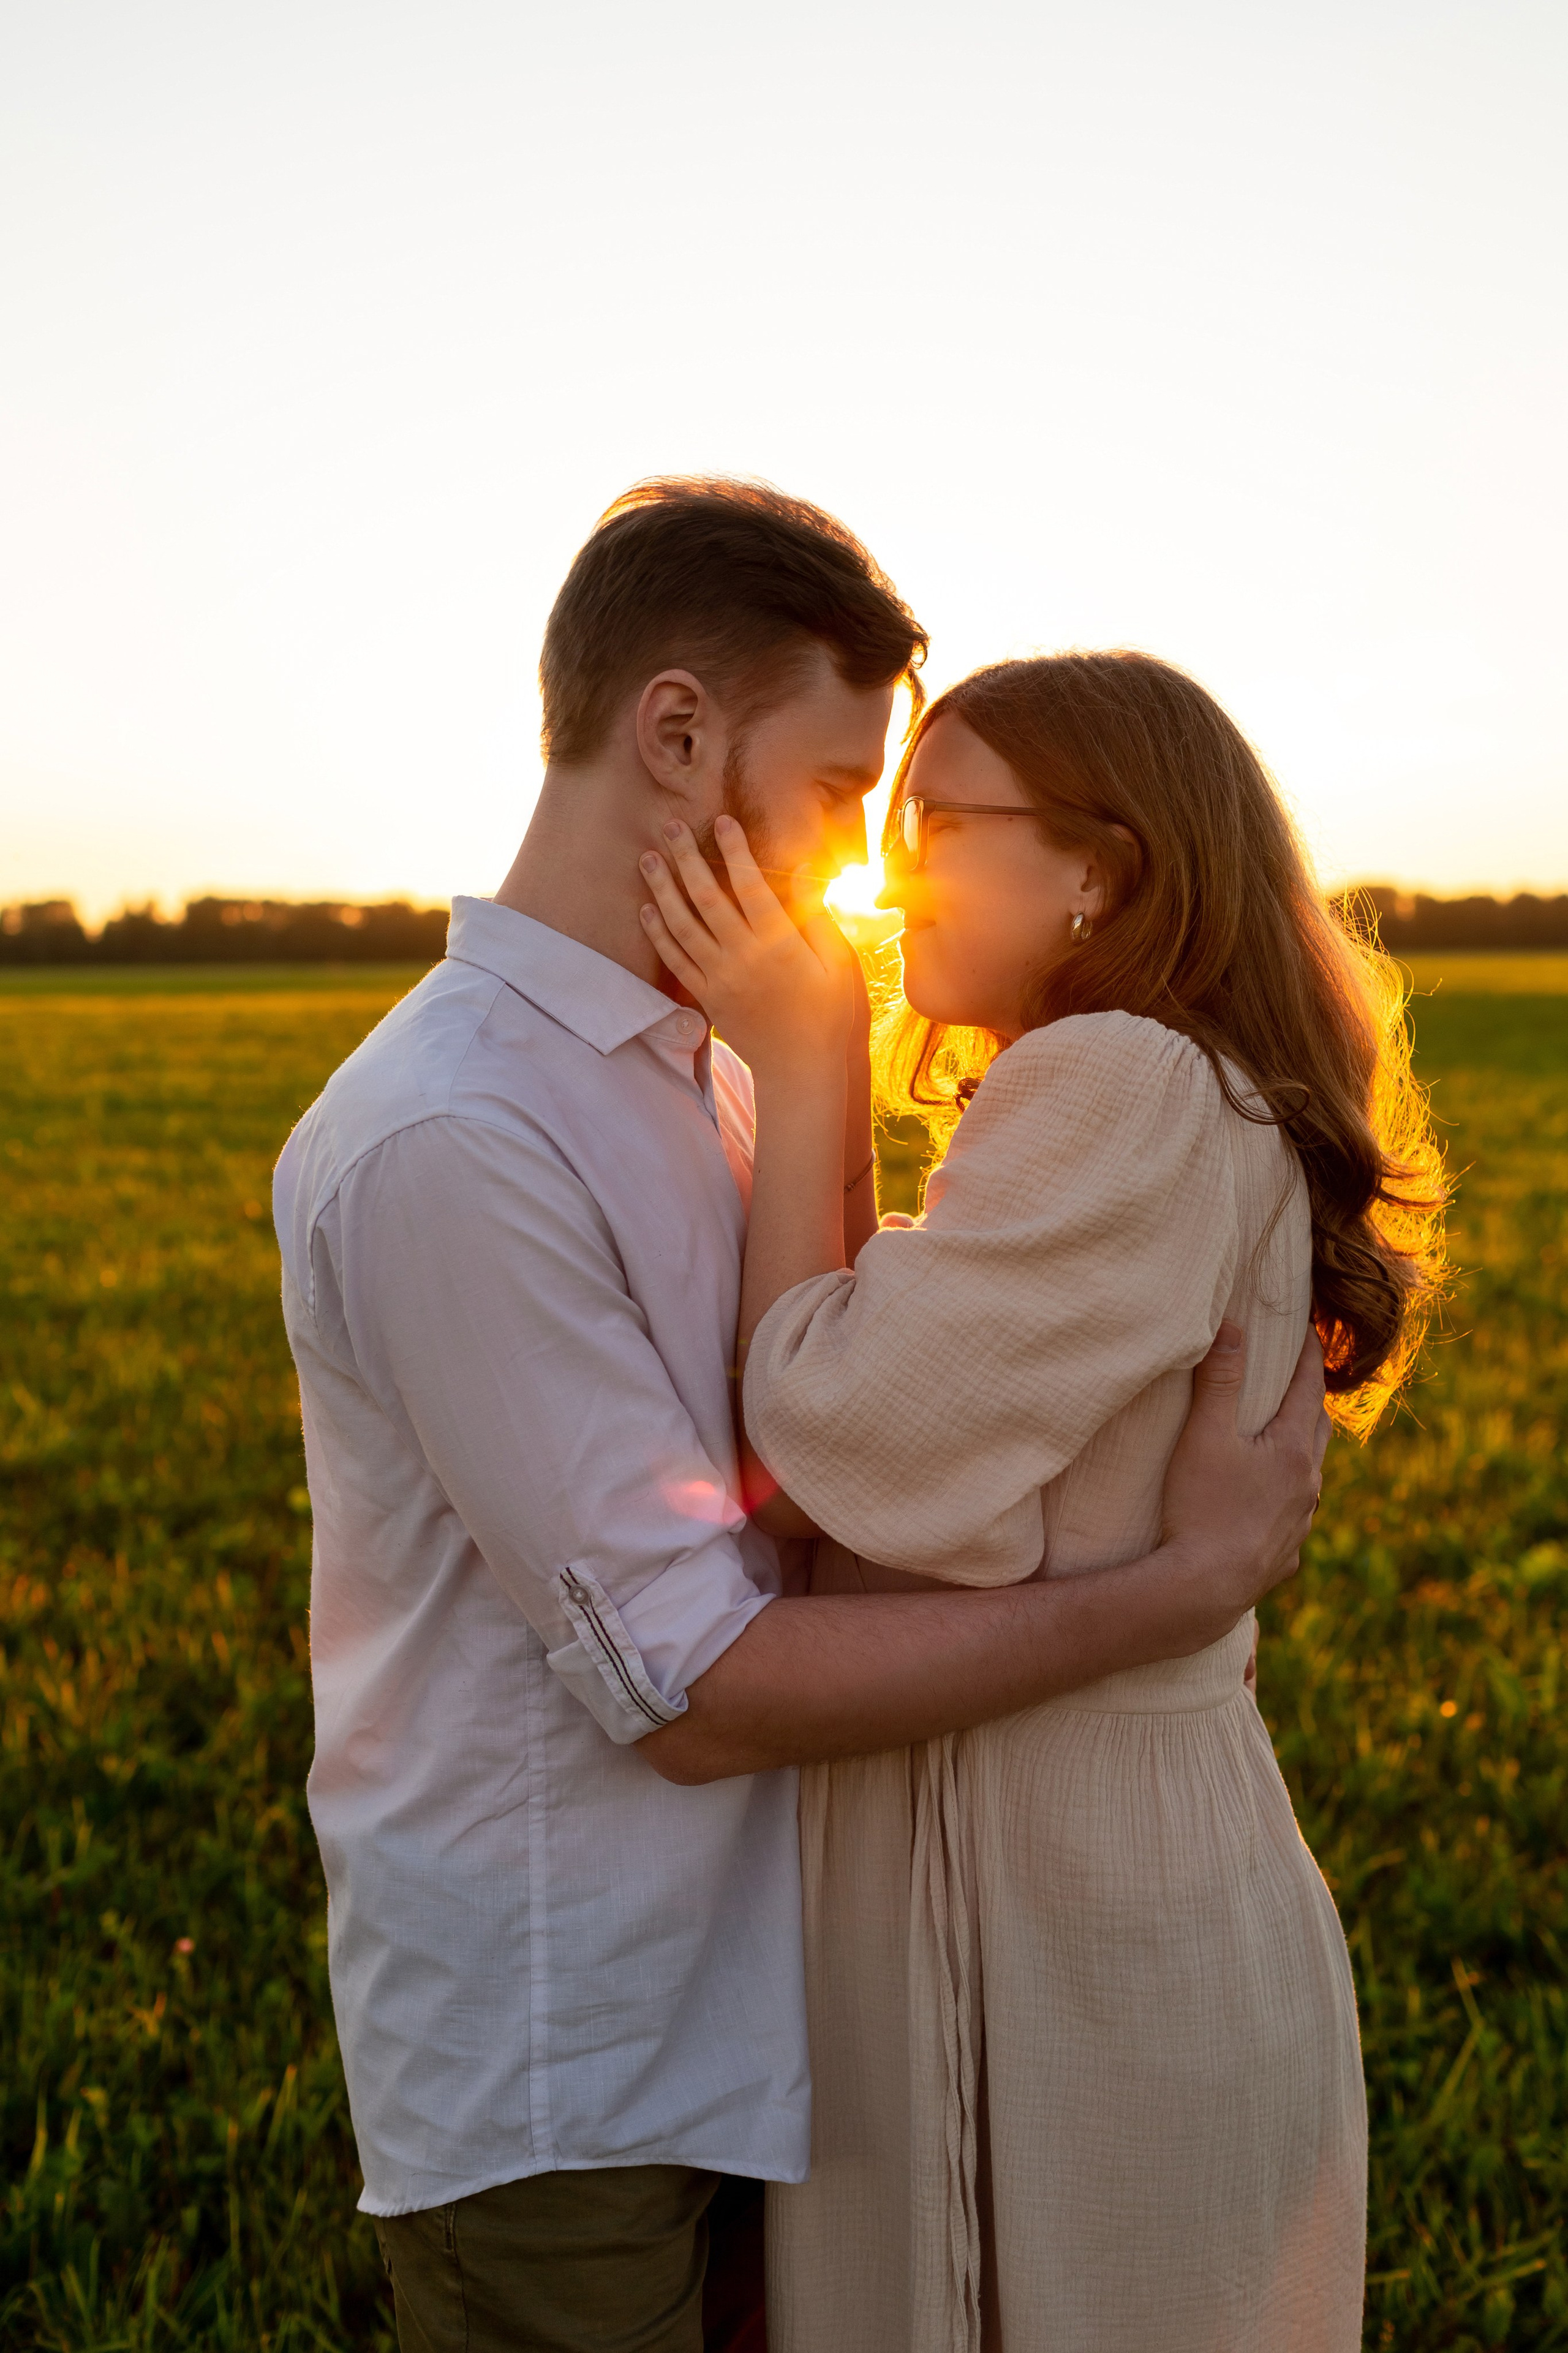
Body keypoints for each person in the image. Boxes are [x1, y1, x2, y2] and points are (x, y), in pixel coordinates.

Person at [273, 482, 1330, 2353]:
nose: (868, 859)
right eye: (852, 792)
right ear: (677, 732)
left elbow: (833, 1444)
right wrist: (1170, 1601)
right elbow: (688, 1688)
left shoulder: (720, 1076)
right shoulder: (459, 1135)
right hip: (576, 2069)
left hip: (788, 2028)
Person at [636, 648, 1446, 2353]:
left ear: (1102, 868)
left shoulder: (1127, 1084)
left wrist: (803, 1056)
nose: (891, 864)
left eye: (940, 818)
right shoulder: (1146, 1090)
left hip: (1071, 1900)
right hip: (1094, 1861)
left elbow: (829, 1424)